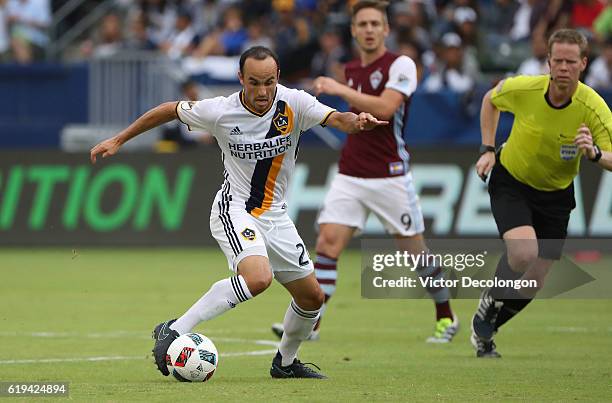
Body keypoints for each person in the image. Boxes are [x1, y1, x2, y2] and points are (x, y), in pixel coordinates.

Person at [89, 46, 386, 379]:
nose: (262, 92)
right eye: (255, 83)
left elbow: (337, 119)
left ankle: (285, 364)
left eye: (269, 82)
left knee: (313, 297)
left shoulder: (294, 103)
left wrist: (356, 121)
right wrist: (119, 139)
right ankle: (174, 328)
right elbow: (168, 110)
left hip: (276, 216)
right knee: (259, 278)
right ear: (241, 79)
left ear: (278, 79)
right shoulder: (220, 111)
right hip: (236, 208)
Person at [272, 0, 459, 344]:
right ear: (354, 31)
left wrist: (341, 89)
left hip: (390, 175)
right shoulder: (354, 69)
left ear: (386, 29)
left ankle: (446, 316)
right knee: (327, 243)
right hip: (351, 173)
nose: (370, 29)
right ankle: (312, 321)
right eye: (363, 24)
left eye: (376, 23)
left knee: (415, 254)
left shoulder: (401, 64)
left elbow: (387, 108)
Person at [471, 28, 612, 358]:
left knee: (534, 282)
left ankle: (487, 328)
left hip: (556, 194)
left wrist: (593, 154)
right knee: (523, 254)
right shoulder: (526, 87)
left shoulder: (593, 107)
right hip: (512, 180)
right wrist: (488, 148)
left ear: (583, 64)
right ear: (548, 62)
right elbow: (491, 99)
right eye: (558, 60)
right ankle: (490, 301)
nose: (563, 67)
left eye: (571, 61)